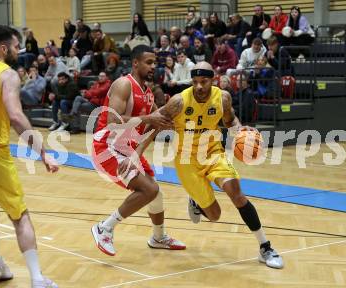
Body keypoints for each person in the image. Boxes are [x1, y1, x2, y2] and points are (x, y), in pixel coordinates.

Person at [157, 61, 284, 269]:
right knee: (215, 216)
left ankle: (265, 247)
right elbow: (156, 119)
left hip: (213, 153)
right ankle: (196, 202)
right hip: (187, 161)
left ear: (213, 80)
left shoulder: (222, 97)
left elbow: (230, 120)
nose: (199, 86)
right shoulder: (179, 101)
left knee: (237, 194)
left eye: (204, 82)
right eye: (195, 82)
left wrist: (241, 132)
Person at [0, 25, 59, 287]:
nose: (19, 51)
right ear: (4, 48)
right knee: (20, 215)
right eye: (16, 46)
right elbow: (16, 116)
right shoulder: (7, 75)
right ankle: (37, 278)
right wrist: (43, 152)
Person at [91, 45, 186, 256]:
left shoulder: (149, 94)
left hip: (127, 149)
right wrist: (149, 118)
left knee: (156, 193)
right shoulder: (124, 84)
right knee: (148, 190)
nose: (153, 67)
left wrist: (168, 123)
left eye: (155, 63)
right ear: (136, 63)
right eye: (149, 62)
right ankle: (104, 228)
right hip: (106, 147)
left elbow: (154, 126)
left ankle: (158, 237)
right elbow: (112, 121)